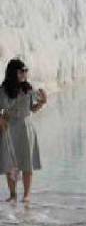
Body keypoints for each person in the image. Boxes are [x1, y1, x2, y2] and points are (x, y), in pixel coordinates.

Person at [0, 59, 46, 203]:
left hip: (26, 126)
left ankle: (26, 195)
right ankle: (13, 194)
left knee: (27, 161)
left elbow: (33, 109)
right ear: (14, 72)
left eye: (26, 71)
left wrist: (42, 102)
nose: (25, 74)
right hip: (9, 127)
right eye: (22, 71)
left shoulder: (28, 88)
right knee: (10, 163)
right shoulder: (3, 90)